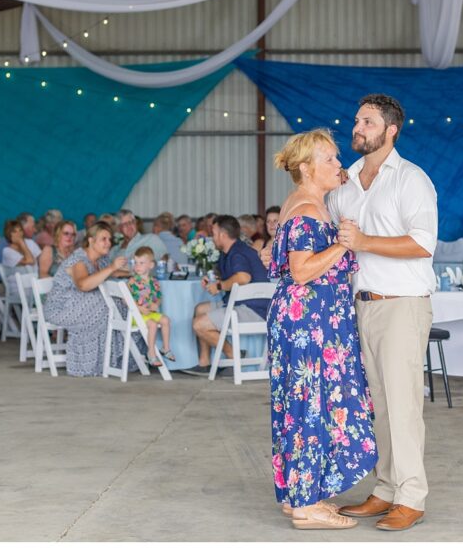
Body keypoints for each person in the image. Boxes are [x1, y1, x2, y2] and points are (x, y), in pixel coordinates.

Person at [329, 94, 437, 532]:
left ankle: (412, 496)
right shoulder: (347, 180)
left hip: (402, 306)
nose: (358, 127)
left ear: (391, 130)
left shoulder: (411, 179)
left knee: (404, 404)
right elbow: (324, 226)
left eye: (368, 121)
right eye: (357, 120)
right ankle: (386, 487)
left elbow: (422, 244)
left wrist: (365, 241)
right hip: (361, 306)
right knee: (381, 407)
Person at [267, 129, 376, 530]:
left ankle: (303, 494)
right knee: (309, 404)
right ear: (305, 168)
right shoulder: (308, 210)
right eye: (329, 159)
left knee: (306, 403)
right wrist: (343, 245)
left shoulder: (311, 201)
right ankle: (306, 506)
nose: (338, 164)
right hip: (307, 323)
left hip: (311, 321)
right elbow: (301, 270)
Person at [180, 215, 270, 376]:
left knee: (198, 325)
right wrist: (215, 280)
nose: (212, 237)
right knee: (200, 309)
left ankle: (234, 355)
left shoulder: (237, 253)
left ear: (222, 234)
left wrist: (220, 285)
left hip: (254, 309)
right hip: (240, 303)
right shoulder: (229, 251)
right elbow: (234, 276)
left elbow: (243, 277)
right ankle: (204, 362)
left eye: (213, 233)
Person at [43, 221, 131, 377]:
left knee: (118, 301)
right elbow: (83, 285)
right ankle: (95, 361)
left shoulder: (101, 259)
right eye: (103, 239)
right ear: (91, 240)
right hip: (61, 308)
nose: (108, 243)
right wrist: (112, 267)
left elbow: (113, 274)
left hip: (81, 304)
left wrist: (136, 273)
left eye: (109, 239)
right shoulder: (79, 260)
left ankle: (117, 357)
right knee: (107, 303)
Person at [127, 246, 175, 368]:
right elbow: (125, 299)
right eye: (136, 263)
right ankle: (151, 354)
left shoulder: (154, 281)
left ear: (151, 265)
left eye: (141, 263)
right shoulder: (132, 281)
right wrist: (138, 308)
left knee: (166, 320)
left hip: (149, 313)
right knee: (153, 324)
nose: (137, 266)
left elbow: (159, 297)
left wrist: (156, 304)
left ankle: (165, 348)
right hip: (136, 315)